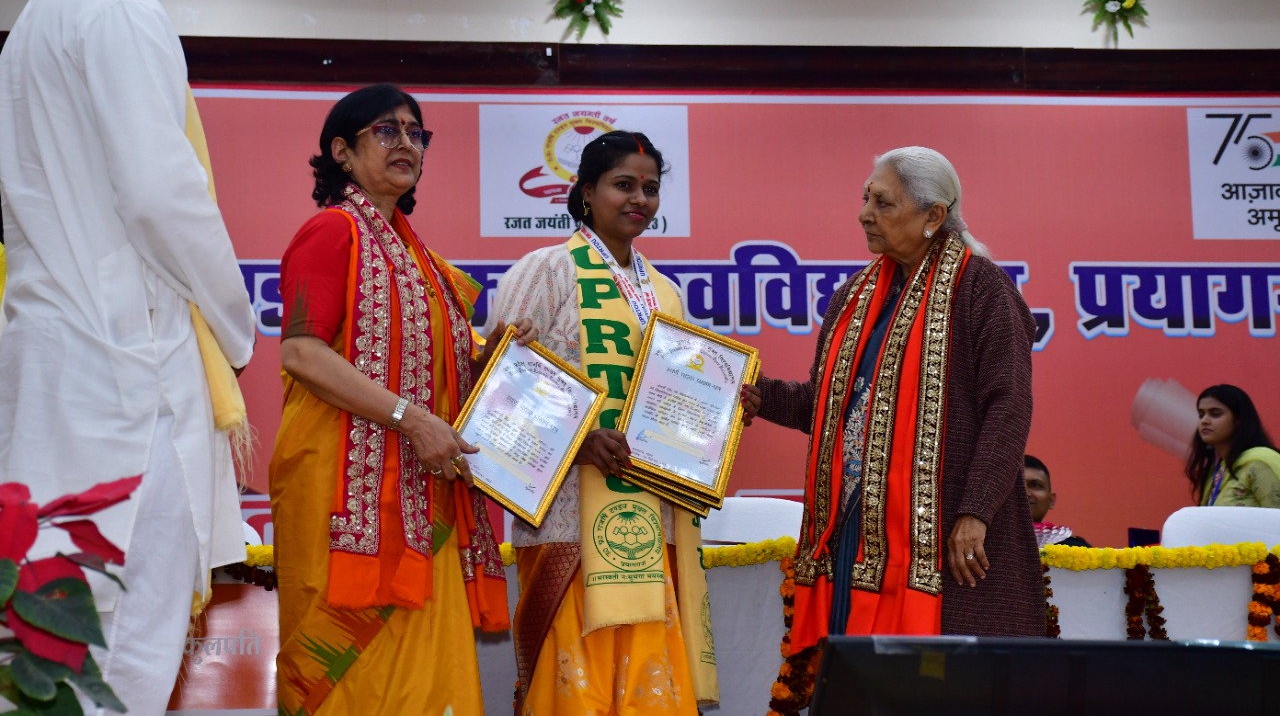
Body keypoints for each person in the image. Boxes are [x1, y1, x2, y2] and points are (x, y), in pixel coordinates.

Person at [0, 0, 255, 712]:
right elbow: (160, 195)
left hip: (54, 381)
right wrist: (235, 326)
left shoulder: (33, 24)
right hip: (127, 385)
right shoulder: (119, 9)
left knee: (48, 655)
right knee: (124, 664)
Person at [270, 84, 530, 714]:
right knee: (352, 683)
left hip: (420, 495)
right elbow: (301, 353)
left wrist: (495, 359)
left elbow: (438, 372)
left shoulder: (425, 264)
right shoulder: (330, 232)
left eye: (416, 133)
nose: (407, 143)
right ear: (341, 151)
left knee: (425, 685)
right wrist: (410, 419)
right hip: (344, 499)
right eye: (387, 130)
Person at [492, 130, 760, 715]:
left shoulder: (664, 292)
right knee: (575, 687)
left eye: (650, 188)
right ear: (587, 192)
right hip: (565, 520)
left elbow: (676, 403)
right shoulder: (546, 271)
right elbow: (497, 391)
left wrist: (716, 416)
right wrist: (578, 441)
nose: (639, 199)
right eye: (623, 185)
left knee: (648, 687)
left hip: (652, 524)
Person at [758, 146, 1043, 664]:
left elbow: (1008, 408)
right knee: (859, 679)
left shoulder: (981, 289)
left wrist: (975, 512)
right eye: (865, 198)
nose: (864, 214)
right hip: (855, 535)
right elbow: (824, 408)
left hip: (944, 535)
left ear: (933, 214)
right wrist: (751, 392)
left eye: (883, 202)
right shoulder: (855, 295)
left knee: (940, 682)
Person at [1186, 384, 1280, 508]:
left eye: (1215, 414)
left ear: (1239, 420)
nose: (1204, 421)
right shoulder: (1217, 471)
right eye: (1201, 415)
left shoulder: (1258, 464)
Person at [1024, 455, 1091, 547]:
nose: (1025, 493)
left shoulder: (1077, 549)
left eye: (1035, 485)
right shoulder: (1001, 545)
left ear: (1051, 500)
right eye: (1017, 485)